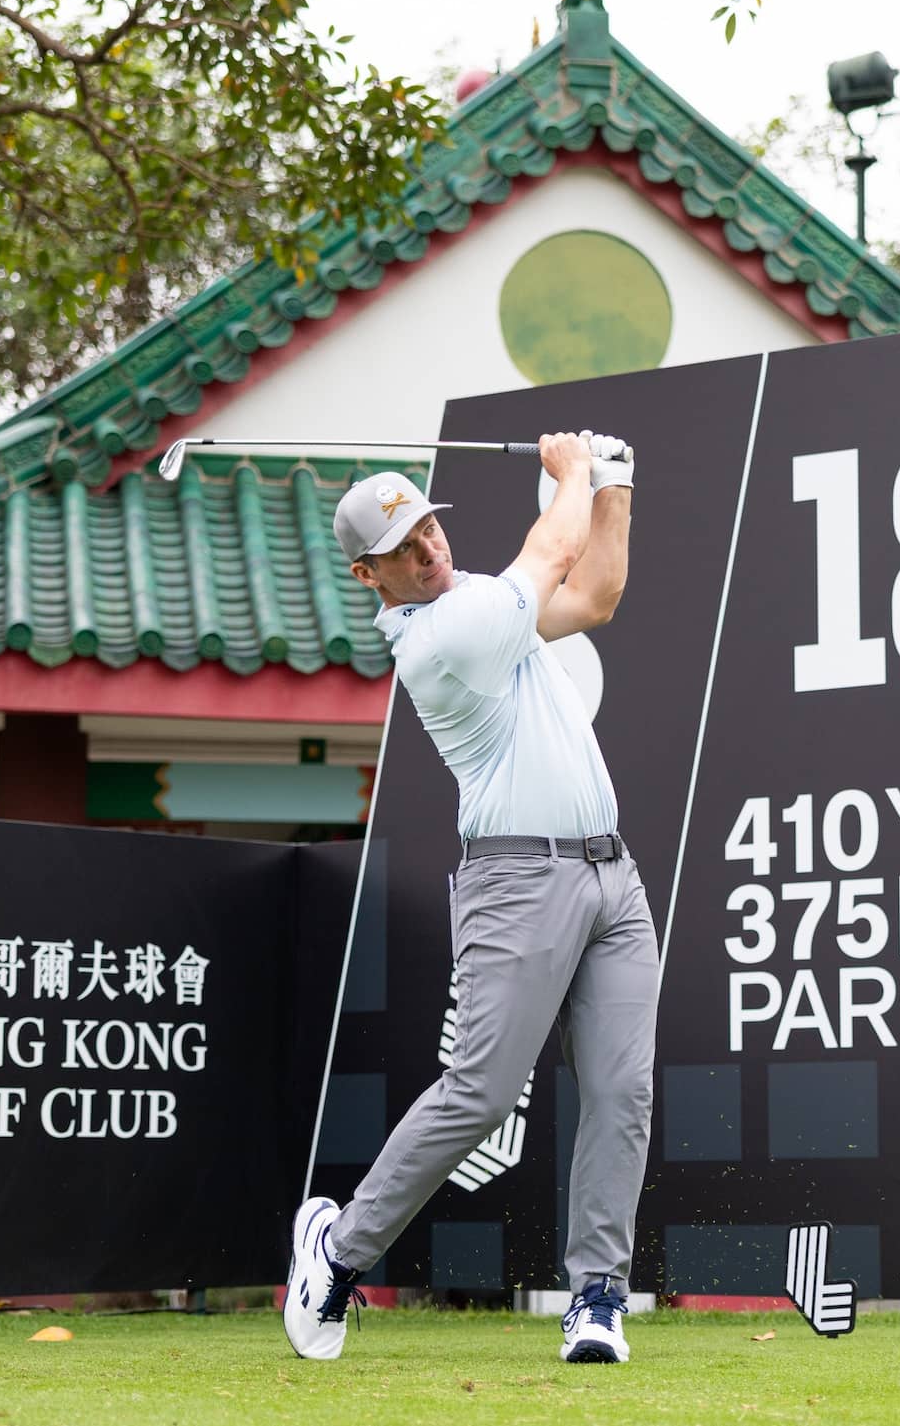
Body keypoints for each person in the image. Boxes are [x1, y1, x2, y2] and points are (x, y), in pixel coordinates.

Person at [285, 430, 654, 1365]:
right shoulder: (444, 635)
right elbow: (551, 554)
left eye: (429, 527)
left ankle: (597, 1295)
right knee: (482, 1092)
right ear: (372, 575)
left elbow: (598, 591)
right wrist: (571, 472)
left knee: (622, 1089)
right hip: (516, 881)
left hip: (613, 877)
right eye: (405, 546)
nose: (429, 546)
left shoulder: (485, 608)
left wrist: (614, 483)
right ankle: (338, 1251)